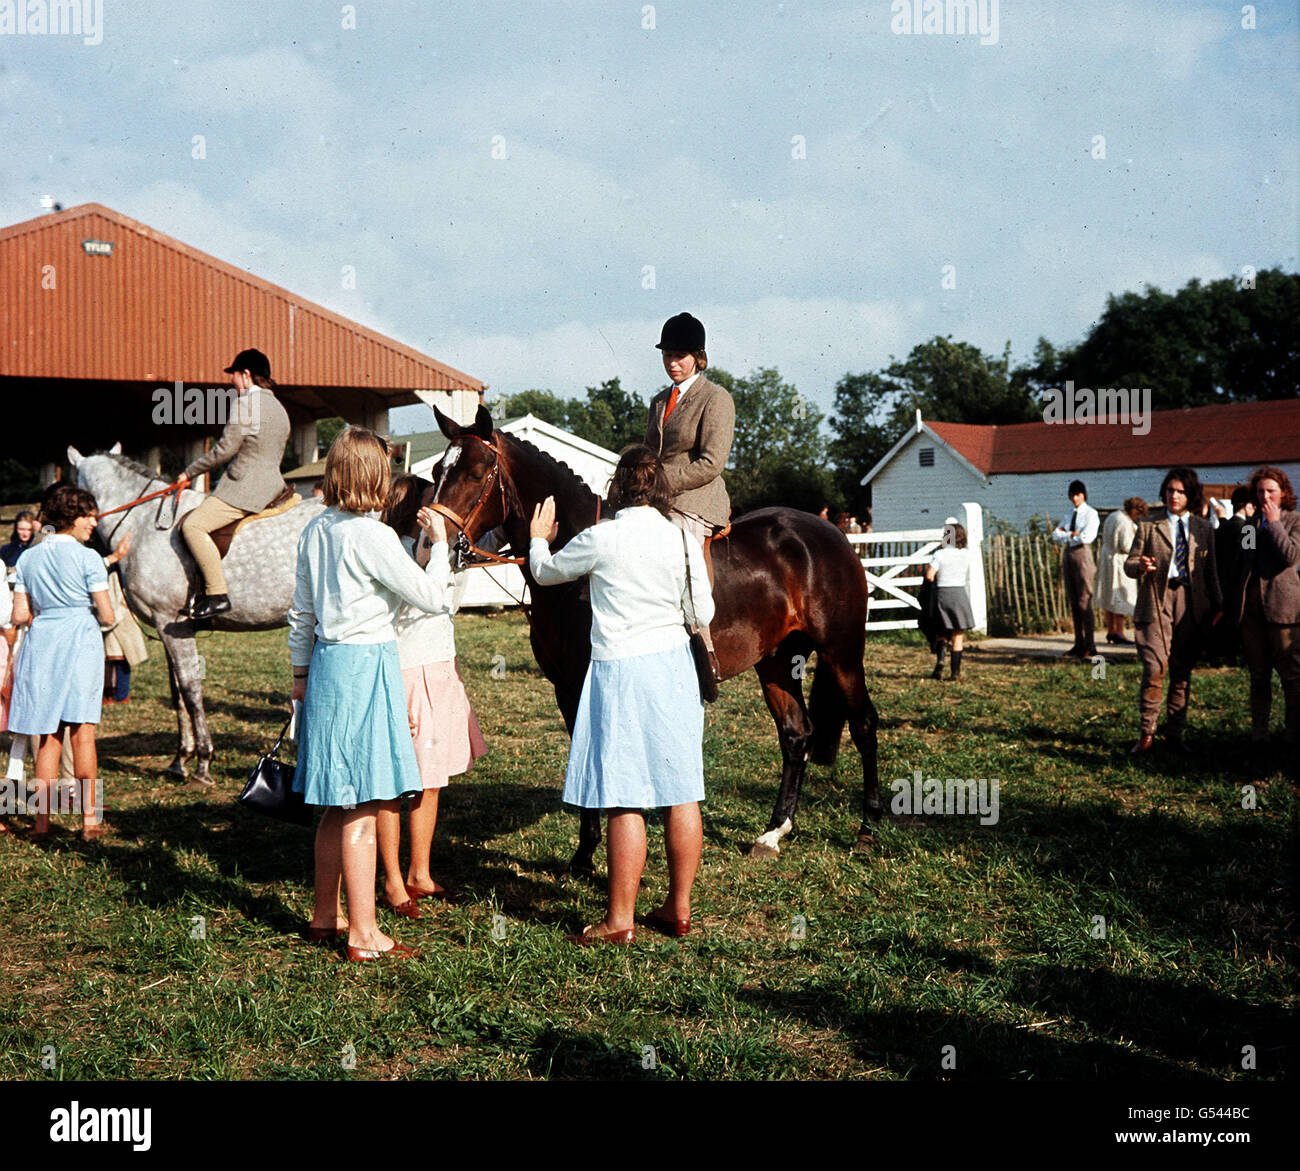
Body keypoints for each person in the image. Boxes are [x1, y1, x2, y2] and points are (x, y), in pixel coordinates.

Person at [528, 446, 714, 945]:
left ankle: (620, 919)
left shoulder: (602, 536)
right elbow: (705, 612)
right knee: (682, 790)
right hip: (674, 666)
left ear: (618, 487)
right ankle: (678, 908)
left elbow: (545, 575)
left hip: (621, 669)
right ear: (659, 489)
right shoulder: (680, 540)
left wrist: (537, 541)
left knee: (622, 796)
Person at [288, 428, 453, 962]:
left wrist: (299, 675)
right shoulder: (375, 536)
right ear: (375, 475)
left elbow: (302, 614)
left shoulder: (316, 530)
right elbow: (430, 597)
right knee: (362, 800)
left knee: (337, 803)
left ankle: (324, 916)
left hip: (326, 663)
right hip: (368, 664)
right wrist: (443, 546)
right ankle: (363, 934)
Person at [375, 475, 486, 918]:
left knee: (431, 778)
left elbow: (448, 605)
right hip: (407, 668)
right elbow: (420, 599)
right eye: (428, 504)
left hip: (439, 664)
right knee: (390, 784)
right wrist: (432, 548)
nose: (438, 510)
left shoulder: (439, 548)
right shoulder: (396, 550)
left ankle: (419, 872)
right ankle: (392, 880)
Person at [4, 485, 115, 840]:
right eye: (89, 516)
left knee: (47, 736)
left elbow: (20, 613)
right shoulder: (89, 558)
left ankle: (41, 824)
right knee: (83, 735)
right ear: (72, 517)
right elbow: (108, 614)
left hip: (42, 644)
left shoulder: (28, 558)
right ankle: (89, 822)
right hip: (80, 641)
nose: (94, 524)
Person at [176, 348, 292, 620]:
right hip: (274, 485)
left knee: (193, 525)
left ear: (247, 375)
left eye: (234, 375)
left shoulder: (246, 404)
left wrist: (188, 473)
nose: (231, 382)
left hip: (245, 488)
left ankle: (217, 593)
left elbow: (225, 450)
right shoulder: (278, 406)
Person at [1124, 467, 1222, 755]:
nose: (1174, 496)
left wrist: (1219, 607)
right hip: (1156, 601)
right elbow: (1129, 564)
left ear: (1190, 495)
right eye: (1170, 490)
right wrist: (1140, 566)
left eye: (1180, 491)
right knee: (1155, 668)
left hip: (1191, 604)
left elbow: (1212, 572)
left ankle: (1175, 735)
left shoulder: (1204, 528)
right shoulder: (1148, 525)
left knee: (1181, 671)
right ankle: (1147, 734)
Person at [644, 313, 734, 546]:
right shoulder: (659, 401)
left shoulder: (715, 398)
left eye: (680, 356)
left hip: (695, 500)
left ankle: (699, 583)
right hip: (657, 496)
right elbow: (649, 452)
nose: (672, 363)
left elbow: (711, 463)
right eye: (667, 355)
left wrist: (662, 482)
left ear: (697, 357)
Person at [1234, 466, 1300, 752]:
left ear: (1283, 493)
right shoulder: (1250, 524)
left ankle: (1293, 736)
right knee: (1258, 676)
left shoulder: (1294, 521)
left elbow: (1290, 557)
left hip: (1283, 611)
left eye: (1271, 490)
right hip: (1253, 612)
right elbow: (1245, 562)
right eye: (1260, 491)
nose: (1265, 496)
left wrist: (1274, 524)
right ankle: (1259, 737)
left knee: (1292, 677)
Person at [1051, 480, 1100, 659]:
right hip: (1069, 554)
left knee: (1084, 600)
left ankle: (1090, 644)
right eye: (1072, 496)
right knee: (1073, 601)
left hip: (1082, 556)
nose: (1075, 499)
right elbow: (1056, 534)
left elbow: (1087, 537)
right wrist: (1071, 534)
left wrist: (1069, 535)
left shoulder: (1091, 514)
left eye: (1078, 495)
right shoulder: (1069, 513)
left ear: (1084, 495)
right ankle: (1078, 642)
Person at [924, 519, 974, 681]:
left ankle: (940, 661)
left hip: (943, 594)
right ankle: (955, 673)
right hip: (959, 593)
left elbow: (930, 576)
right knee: (957, 634)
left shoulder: (939, 554)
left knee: (942, 630)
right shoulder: (966, 554)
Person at [1096, 497, 1147, 645]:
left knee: (1109, 596)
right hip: (1119, 562)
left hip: (1107, 559)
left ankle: (1111, 630)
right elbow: (1126, 545)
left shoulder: (1113, 515)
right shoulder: (1124, 522)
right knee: (1120, 595)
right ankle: (1119, 631)